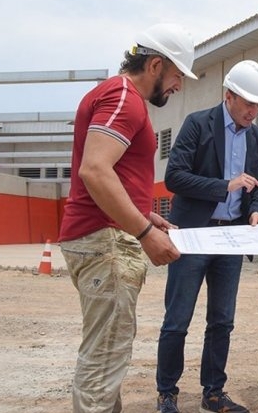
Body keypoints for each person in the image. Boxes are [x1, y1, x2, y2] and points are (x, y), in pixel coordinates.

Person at [58, 22, 196, 413]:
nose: (178, 85)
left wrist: (142, 211)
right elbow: (95, 170)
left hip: (103, 236)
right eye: (177, 75)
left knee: (106, 353)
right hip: (105, 242)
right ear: (155, 65)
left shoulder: (116, 96)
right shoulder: (124, 97)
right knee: (103, 362)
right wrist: (145, 231)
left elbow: (109, 174)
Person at [155, 60, 258, 413]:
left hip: (231, 238)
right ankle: (167, 393)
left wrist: (255, 210)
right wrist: (226, 186)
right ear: (229, 96)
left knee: (222, 320)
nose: (254, 112)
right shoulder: (197, 124)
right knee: (178, 318)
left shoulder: (257, 138)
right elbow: (174, 177)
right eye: (249, 104)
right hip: (194, 234)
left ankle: (213, 392)